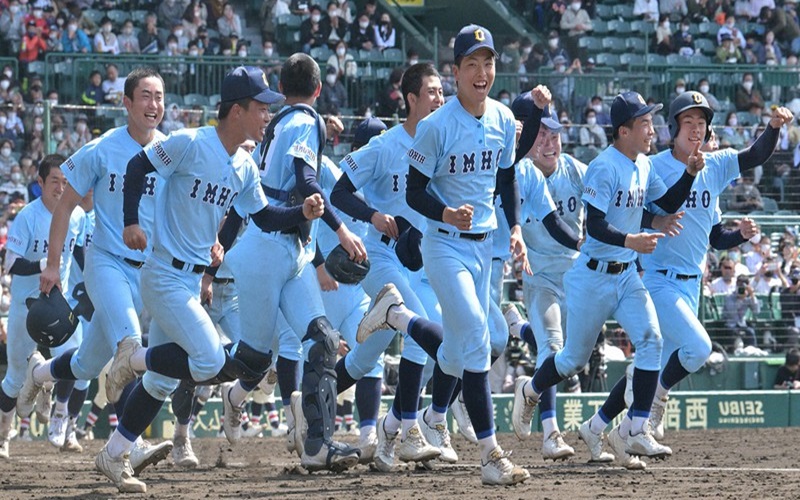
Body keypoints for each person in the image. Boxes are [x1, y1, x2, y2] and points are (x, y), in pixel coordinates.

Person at [359, 24, 532, 486]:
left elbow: (507, 179)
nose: (481, 72)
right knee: (475, 335)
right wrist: (446, 212)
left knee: (454, 355)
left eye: (488, 62)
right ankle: (490, 454)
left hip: (484, 247)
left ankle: (394, 424)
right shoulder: (435, 127)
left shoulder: (500, 117)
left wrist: (514, 226)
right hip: (444, 246)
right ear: (456, 73)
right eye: (471, 63)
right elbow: (414, 192)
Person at [511, 90, 703, 470]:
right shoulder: (602, 166)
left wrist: (690, 174)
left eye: (651, 122)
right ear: (623, 131)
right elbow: (595, 225)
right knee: (571, 361)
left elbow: (661, 205)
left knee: (651, 341)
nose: (652, 130)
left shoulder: (643, 164)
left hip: (627, 274)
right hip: (591, 276)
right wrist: (633, 237)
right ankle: (529, 389)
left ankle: (636, 429)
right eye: (645, 123)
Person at [592, 93, 790, 454]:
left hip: (691, 284)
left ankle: (599, 425)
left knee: (644, 370)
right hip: (657, 278)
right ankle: (654, 406)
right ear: (673, 129)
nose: (696, 129)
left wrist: (773, 127)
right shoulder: (652, 166)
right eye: (688, 123)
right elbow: (636, 212)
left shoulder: (715, 166)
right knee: (698, 348)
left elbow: (754, 157)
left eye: (702, 123)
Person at [19, 67, 173, 488]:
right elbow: (65, 206)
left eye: (159, 96)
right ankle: (126, 445)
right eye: (145, 95)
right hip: (107, 263)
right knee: (130, 347)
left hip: (151, 273)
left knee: (87, 365)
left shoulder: (171, 150)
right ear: (126, 103)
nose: (154, 104)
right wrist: (52, 265)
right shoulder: (101, 149)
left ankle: (39, 373)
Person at [219, 55, 364, 473]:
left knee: (321, 339)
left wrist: (322, 128)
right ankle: (192, 367)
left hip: (288, 251)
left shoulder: (281, 122)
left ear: (281, 90)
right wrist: (341, 229)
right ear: (319, 90)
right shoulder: (303, 122)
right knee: (253, 359)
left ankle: (318, 445)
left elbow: (295, 168)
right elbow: (304, 179)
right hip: (267, 251)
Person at [331, 65, 458, 470]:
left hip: (422, 259)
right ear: (411, 100)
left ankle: (361, 424)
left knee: (363, 360)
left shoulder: (443, 143)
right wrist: (371, 215)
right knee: (425, 328)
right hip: (381, 256)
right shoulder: (385, 146)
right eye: (433, 92)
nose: (440, 99)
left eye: (443, 92)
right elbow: (338, 191)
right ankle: (411, 429)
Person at [0, 154, 85, 460]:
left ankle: (68, 425)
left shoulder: (76, 216)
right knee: (14, 378)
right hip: (27, 306)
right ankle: (3, 435)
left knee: (79, 366)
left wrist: (89, 286)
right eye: (54, 181)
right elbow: (9, 263)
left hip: (60, 306)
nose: (61, 188)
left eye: (66, 182)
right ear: (40, 183)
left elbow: (81, 254)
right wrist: (45, 264)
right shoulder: (27, 215)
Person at [723, 274, 760, 348]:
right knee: (734, 333)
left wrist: (752, 295)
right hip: (730, 325)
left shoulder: (747, 297)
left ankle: (752, 351)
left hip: (742, 325)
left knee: (751, 332)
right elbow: (732, 313)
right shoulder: (729, 297)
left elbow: (756, 311)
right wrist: (740, 299)